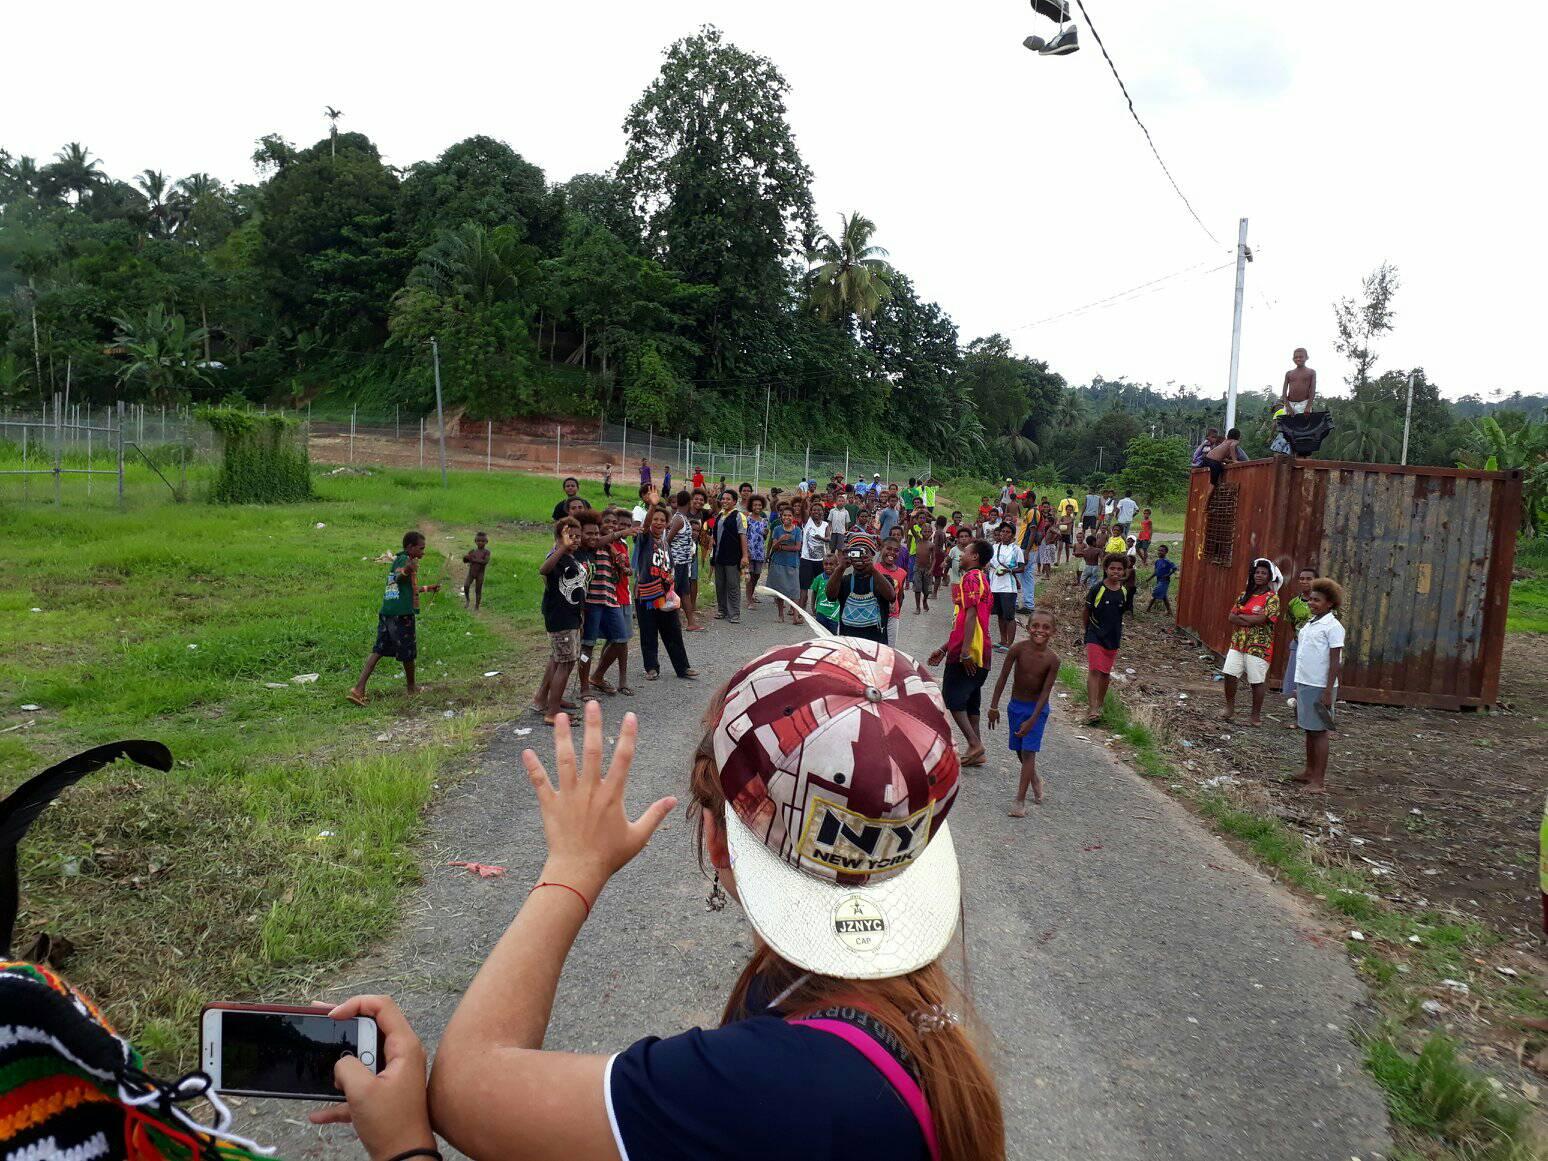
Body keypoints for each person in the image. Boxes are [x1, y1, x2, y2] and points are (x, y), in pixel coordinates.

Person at [348, 530, 438, 706]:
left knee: (379, 650)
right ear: (410, 547)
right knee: (408, 653)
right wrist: (407, 570)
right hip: (401, 615)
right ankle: (411, 688)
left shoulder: (398, 559)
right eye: (421, 548)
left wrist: (428, 588)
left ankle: (358, 689)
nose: (423, 552)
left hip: (388, 613)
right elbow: (399, 577)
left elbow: (403, 587)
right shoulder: (405, 561)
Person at [987, 609, 1060, 817]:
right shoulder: (1017, 649)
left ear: (1053, 632)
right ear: (1028, 628)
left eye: (1046, 627)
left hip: (1037, 710)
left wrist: (1033, 720)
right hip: (1016, 706)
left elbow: (1045, 692)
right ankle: (1034, 778)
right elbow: (1002, 677)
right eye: (1035, 626)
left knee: (1028, 752)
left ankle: (1019, 801)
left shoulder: (1053, 660)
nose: (1040, 630)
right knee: (1019, 749)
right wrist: (994, 706)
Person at [929, 538, 992, 767]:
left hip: (969, 650)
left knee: (953, 699)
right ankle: (977, 749)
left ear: (975, 557)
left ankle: (974, 744)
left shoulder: (971, 578)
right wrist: (945, 647)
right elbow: (966, 619)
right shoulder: (982, 578)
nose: (961, 554)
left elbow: (972, 615)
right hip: (980, 649)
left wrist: (964, 652)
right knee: (971, 699)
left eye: (965, 551)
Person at [1291, 578, 1344, 792]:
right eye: (1311, 599)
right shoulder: (1311, 623)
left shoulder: (1333, 627)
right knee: (1309, 729)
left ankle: (1318, 781)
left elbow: (1335, 661)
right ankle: (1309, 771)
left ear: (1329, 603)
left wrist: (1328, 690)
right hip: (1305, 681)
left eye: (1317, 600)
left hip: (1320, 685)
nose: (1311, 603)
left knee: (1319, 731)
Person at [633, 505, 696, 681]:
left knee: (673, 631)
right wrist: (652, 506)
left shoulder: (665, 543)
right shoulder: (644, 539)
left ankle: (683, 668)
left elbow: (669, 568)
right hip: (646, 595)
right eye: (655, 519)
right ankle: (651, 668)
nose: (658, 522)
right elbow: (645, 527)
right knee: (648, 632)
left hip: (665, 595)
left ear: (667, 523)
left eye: (662, 520)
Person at [535, 517, 586, 724]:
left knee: (563, 660)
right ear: (558, 538)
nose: (575, 540)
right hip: (560, 617)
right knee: (565, 662)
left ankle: (552, 701)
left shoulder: (570, 557)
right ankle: (553, 712)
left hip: (572, 616)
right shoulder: (557, 556)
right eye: (569, 536)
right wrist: (562, 547)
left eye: (577, 536)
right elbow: (543, 570)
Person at [1220, 558, 1282, 727]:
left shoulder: (1272, 598)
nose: (1259, 575)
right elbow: (1231, 616)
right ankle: (1229, 707)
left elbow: (1263, 619)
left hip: (1259, 645)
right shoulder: (1244, 595)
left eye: (1264, 573)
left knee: (1256, 680)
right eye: (1257, 572)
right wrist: (1251, 619)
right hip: (1238, 642)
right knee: (1229, 674)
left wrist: (1242, 618)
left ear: (1270, 577)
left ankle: (1255, 716)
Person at [578, 512, 634, 700]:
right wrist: (617, 535)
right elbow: (597, 542)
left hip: (610, 600)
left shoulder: (612, 547)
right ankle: (584, 687)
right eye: (607, 521)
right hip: (591, 602)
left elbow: (619, 573)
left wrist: (623, 566)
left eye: (614, 523)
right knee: (588, 645)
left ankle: (598, 675)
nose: (611, 525)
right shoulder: (591, 544)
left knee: (621, 639)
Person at [1083, 554, 1127, 727]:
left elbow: (1120, 615)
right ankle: (1092, 708)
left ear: (1124, 571)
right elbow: (1086, 611)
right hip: (1095, 634)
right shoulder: (1097, 589)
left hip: (1113, 637)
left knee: (1105, 673)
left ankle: (1100, 705)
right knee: (1095, 669)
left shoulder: (1124, 591)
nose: (1116, 572)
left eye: (1119, 569)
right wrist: (1087, 632)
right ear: (1106, 569)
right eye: (1112, 568)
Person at [827, 531, 892, 644]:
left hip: (876, 644)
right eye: (855, 552)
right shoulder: (844, 581)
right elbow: (830, 596)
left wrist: (872, 569)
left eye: (864, 552)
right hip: (849, 644)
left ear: (872, 555)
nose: (860, 557)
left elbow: (891, 597)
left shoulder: (882, 580)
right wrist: (841, 568)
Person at [1281, 567, 1317, 726]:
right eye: (1302, 578)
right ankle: (1298, 719)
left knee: (1314, 683)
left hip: (1316, 649)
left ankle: (1317, 719)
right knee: (1296, 683)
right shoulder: (1293, 603)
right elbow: (1292, 625)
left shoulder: (1323, 603)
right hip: (1298, 646)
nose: (1304, 581)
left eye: (1309, 579)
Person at [711, 489, 749, 624]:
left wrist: (745, 556)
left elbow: (743, 536)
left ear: (734, 501)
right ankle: (722, 610)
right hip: (719, 556)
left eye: (728, 499)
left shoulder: (739, 516)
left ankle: (734, 613)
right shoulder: (720, 515)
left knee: (733, 585)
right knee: (720, 585)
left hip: (733, 556)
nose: (725, 501)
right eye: (723, 499)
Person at [985, 524, 1024, 652]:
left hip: (1008, 587)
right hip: (995, 586)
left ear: (1012, 535)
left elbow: (1021, 567)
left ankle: (1009, 644)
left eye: (1008, 532)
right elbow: (988, 563)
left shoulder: (1016, 549)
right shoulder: (994, 547)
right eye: (1003, 531)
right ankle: (1003, 640)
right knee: (1000, 614)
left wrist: (1009, 571)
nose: (1004, 534)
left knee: (1009, 616)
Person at [767, 508, 802, 623]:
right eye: (785, 515)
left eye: (789, 515)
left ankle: (795, 617)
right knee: (779, 590)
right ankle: (780, 615)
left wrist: (781, 547)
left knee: (795, 590)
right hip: (778, 562)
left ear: (793, 517)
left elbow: (797, 547)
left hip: (792, 563)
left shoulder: (797, 530)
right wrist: (780, 540)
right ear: (781, 517)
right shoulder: (777, 529)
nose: (787, 517)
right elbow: (774, 547)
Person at [876, 537, 908, 646]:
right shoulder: (874, 569)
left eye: (896, 550)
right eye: (888, 549)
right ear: (881, 549)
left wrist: (897, 613)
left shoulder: (902, 573)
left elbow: (900, 596)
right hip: (875, 615)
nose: (892, 553)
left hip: (892, 616)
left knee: (890, 648)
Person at [799, 503, 830, 612]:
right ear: (810, 512)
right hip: (806, 560)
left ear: (823, 512)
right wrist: (804, 500)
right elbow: (802, 510)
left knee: (819, 586)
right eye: (814, 510)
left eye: (819, 510)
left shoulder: (825, 524)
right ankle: (800, 611)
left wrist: (821, 538)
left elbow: (828, 538)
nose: (817, 512)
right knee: (804, 587)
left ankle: (815, 608)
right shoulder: (807, 522)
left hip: (821, 561)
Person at [744, 494, 769, 609]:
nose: (757, 507)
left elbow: (764, 537)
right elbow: (744, 535)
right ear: (751, 506)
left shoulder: (764, 521)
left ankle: (751, 594)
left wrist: (766, 534)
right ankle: (749, 601)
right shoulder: (747, 519)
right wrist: (745, 552)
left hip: (759, 552)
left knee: (757, 575)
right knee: (749, 576)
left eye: (759, 505)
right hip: (749, 551)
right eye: (755, 505)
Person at [810, 551, 843, 633]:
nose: (828, 566)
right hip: (820, 612)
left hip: (834, 614)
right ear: (823, 565)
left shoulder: (840, 579)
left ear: (837, 565)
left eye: (831, 564)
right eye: (826, 564)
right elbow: (814, 592)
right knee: (821, 634)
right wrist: (812, 606)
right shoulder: (818, 578)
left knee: (832, 636)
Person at [1282, 347, 1317, 415]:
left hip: (1304, 404)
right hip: (1290, 404)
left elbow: (1312, 391)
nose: (1298, 359)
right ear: (1293, 359)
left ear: (1307, 358)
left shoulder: (1311, 372)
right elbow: (1284, 393)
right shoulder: (1289, 373)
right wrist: (1288, 406)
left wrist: (1308, 406)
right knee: (1287, 421)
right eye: (1296, 357)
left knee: (1303, 421)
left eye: (1301, 357)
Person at [911, 516, 935, 614]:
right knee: (917, 589)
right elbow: (911, 528)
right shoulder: (918, 540)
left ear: (932, 533)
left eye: (929, 531)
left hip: (927, 569)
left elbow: (934, 559)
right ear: (921, 532)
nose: (927, 533)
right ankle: (918, 607)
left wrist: (931, 569)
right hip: (917, 568)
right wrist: (912, 517)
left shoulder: (931, 545)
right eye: (925, 531)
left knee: (927, 590)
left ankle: (924, 600)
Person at [462, 531, 490, 611]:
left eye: (483, 541)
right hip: (471, 573)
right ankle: (467, 600)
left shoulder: (487, 552)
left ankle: (477, 606)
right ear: (475, 541)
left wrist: (473, 559)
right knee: (466, 585)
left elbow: (485, 562)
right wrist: (465, 557)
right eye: (478, 541)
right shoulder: (472, 551)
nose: (480, 542)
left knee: (478, 590)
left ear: (486, 542)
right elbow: (465, 561)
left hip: (480, 573)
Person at [1147, 544, 1177, 614]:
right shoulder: (1157, 561)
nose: (1159, 552)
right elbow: (1156, 572)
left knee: (1155, 593)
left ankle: (1148, 609)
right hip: (1159, 580)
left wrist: (1168, 574)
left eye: (1162, 551)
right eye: (1159, 550)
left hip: (1164, 581)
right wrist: (1149, 578)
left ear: (1166, 552)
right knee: (1164, 596)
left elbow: (1175, 568)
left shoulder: (1167, 561)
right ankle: (1169, 611)